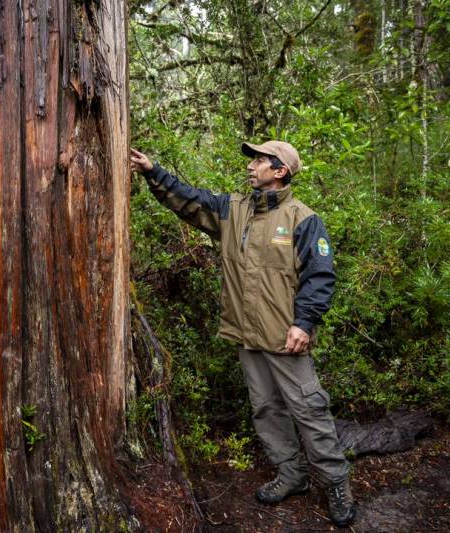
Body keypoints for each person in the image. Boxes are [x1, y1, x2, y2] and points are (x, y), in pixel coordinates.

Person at [130, 141, 356, 528]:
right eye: (252, 160)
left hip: (285, 337)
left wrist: (304, 323)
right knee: (266, 408)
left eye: (259, 160)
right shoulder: (233, 210)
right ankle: (292, 475)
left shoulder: (303, 219)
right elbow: (189, 200)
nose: (251, 166)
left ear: (280, 171)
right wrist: (154, 172)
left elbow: (320, 278)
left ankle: (336, 484)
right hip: (247, 335)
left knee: (310, 410)